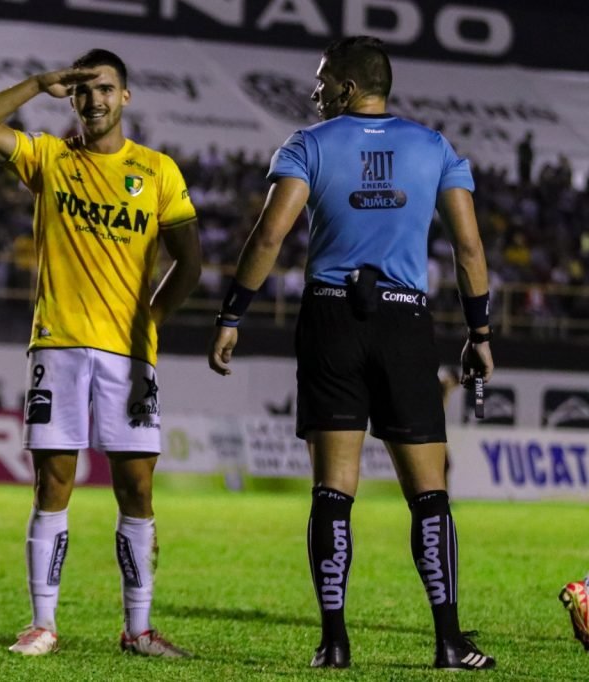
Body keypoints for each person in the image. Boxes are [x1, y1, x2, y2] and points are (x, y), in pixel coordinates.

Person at [208, 37, 495, 670]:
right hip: (404, 322)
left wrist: (232, 315)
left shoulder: (307, 145)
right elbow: (470, 248)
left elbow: (270, 235)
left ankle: (334, 643)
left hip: (331, 318)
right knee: (429, 493)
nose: (315, 91)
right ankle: (449, 642)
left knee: (332, 490)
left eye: (322, 80)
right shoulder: (434, 147)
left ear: (348, 86)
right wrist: (479, 335)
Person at [0, 48, 201, 657]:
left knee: (137, 490)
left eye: (106, 88)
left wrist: (151, 321)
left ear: (126, 97)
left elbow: (190, 262)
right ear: (72, 97)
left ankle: (138, 629)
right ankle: (43, 624)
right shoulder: (49, 158)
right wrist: (38, 83)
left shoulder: (158, 171)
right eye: (84, 89)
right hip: (59, 345)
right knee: (53, 483)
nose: (95, 99)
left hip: (129, 356)